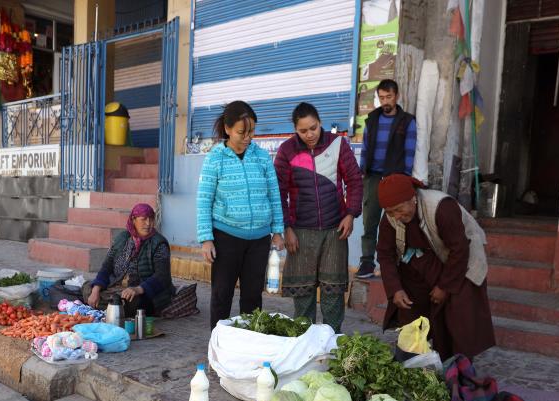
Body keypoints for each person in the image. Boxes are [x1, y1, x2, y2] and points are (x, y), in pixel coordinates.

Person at [375, 173, 495, 360]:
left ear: (412, 198)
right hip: (422, 263)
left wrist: (444, 286)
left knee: (458, 316)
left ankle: (457, 367)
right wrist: (395, 289)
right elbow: (385, 254)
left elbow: (460, 250)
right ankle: (414, 360)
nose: (396, 216)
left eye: (399, 210)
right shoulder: (390, 218)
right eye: (390, 212)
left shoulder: (441, 207)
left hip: (461, 262)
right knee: (410, 306)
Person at [274, 102, 362, 332]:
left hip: (335, 230)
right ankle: (305, 344)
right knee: (303, 296)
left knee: (333, 295)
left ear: (320, 123)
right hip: (300, 233)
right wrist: (287, 228)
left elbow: (354, 180)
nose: (309, 134)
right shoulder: (286, 151)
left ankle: (331, 344)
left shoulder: (338, 145)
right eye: (303, 131)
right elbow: (278, 192)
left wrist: (351, 214)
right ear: (295, 129)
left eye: (313, 128)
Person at [196, 100, 285, 329]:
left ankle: (249, 343)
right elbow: (204, 200)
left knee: (253, 297)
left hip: (259, 239)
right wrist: (206, 238)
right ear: (227, 129)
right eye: (241, 132)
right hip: (226, 236)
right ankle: (219, 345)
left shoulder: (262, 157)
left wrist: (278, 230)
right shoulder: (215, 158)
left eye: (252, 131)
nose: (247, 137)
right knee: (222, 294)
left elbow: (274, 194)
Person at [357, 79, 418, 279]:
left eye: (389, 97)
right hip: (373, 177)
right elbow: (365, 148)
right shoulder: (372, 119)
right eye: (382, 98)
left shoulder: (407, 121)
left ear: (397, 96)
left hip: (395, 177)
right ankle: (366, 263)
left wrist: (406, 179)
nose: (385, 101)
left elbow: (410, 151)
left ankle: (400, 263)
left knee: (398, 220)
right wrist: (362, 171)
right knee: (370, 220)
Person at [84, 203, 175, 316]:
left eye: (151, 219)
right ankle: (108, 303)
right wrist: (96, 289)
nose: (148, 224)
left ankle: (110, 306)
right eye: (144, 219)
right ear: (133, 220)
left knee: (133, 302)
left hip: (146, 291)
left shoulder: (159, 243)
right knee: (88, 287)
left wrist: (138, 289)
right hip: (118, 286)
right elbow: (107, 266)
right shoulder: (122, 238)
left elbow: (162, 276)